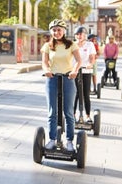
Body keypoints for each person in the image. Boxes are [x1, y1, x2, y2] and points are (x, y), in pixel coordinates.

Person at [41, 19, 82, 151]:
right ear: (50, 31)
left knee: (69, 112)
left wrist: (75, 71)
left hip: (68, 78)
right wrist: (46, 70)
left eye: (59, 30)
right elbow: (44, 62)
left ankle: (69, 141)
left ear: (64, 31)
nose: (56, 32)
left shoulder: (71, 45)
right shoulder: (47, 46)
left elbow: (78, 60)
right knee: (52, 112)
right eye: (54, 30)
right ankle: (52, 139)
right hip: (52, 78)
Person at [73, 27, 96, 122]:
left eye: (80, 34)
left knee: (86, 93)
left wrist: (90, 64)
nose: (79, 36)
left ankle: (87, 116)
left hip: (86, 71)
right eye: (77, 34)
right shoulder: (73, 45)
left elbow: (92, 57)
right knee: (76, 94)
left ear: (84, 35)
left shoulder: (89, 44)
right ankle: (73, 115)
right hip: (75, 71)